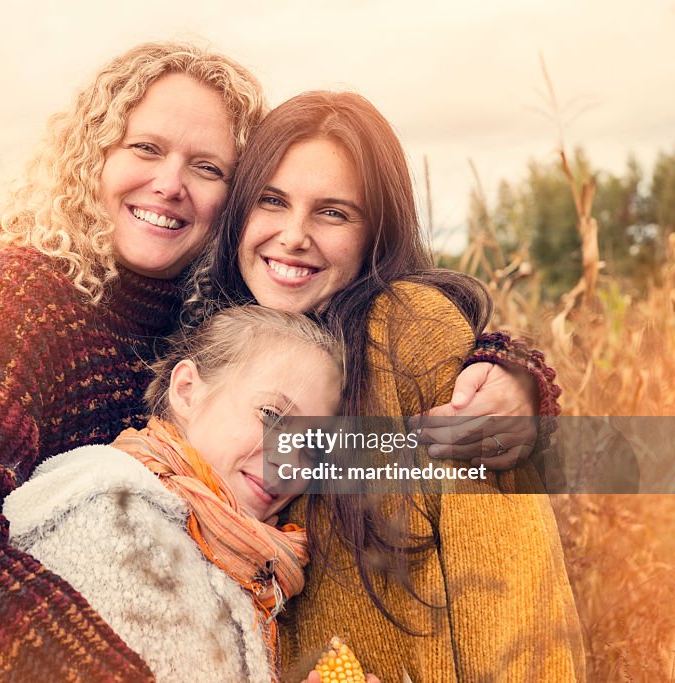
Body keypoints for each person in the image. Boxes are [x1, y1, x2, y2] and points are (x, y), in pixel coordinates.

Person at [0, 42, 559, 682]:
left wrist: (508, 376)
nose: (170, 183)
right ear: (93, 157)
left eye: (207, 166)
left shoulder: (218, 325)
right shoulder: (12, 295)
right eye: (145, 149)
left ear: (230, 200)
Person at [185, 91, 584, 682]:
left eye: (333, 212)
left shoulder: (404, 330)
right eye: (273, 201)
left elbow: (508, 562)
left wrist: (518, 381)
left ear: (377, 232)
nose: (294, 235)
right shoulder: (218, 334)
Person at [3, 305, 343, 682]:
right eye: (271, 416)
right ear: (186, 392)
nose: (290, 461)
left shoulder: (237, 555)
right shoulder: (112, 518)